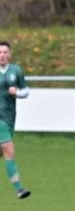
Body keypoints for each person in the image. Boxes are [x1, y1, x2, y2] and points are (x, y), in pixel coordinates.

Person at [0, 40, 31, 199]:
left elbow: (26, 90)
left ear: (10, 54)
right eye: (0, 52)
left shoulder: (16, 71)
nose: (2, 55)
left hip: (10, 117)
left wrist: (17, 93)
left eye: (5, 52)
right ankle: (19, 189)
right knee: (9, 151)